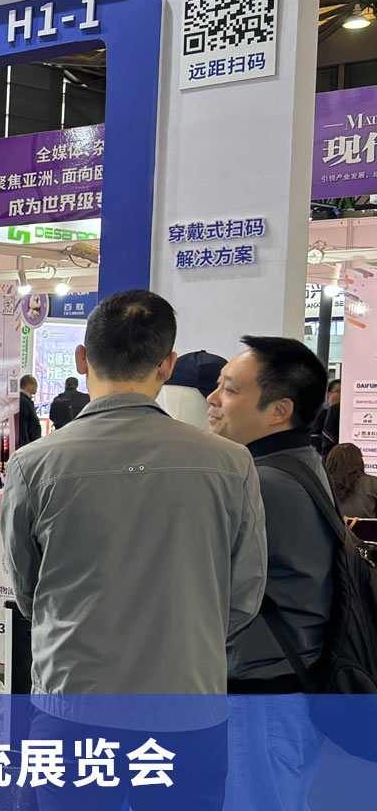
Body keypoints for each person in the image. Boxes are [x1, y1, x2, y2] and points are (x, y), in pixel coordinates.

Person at [2, 291, 262, 810]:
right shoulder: (231, 464)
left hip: (73, 703)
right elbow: (244, 595)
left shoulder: (33, 464)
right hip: (188, 707)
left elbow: (27, 593)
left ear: (82, 358)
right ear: (166, 365)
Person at [208, 336, 336, 811]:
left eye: (230, 389)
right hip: (286, 685)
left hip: (258, 694)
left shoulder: (262, 483)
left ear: (280, 410)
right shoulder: (299, 464)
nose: (212, 399)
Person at [327, 442, 377, 518]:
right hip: (366, 525)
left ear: (331, 462)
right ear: (360, 462)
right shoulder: (373, 484)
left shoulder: (323, 484)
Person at [311, 378, 342, 453]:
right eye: (338, 391)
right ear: (329, 393)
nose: (341, 394)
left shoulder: (344, 415)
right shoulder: (321, 413)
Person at [16, 374, 42, 453]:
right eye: (35, 385)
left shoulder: (24, 399)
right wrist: (25, 446)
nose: (37, 388)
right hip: (28, 445)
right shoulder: (23, 401)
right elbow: (23, 425)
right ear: (29, 385)